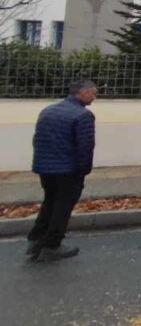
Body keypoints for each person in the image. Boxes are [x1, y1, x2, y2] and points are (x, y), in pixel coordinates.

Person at [26, 79, 98, 263]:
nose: (94, 97)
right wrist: (83, 170)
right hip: (68, 170)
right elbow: (85, 147)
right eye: (93, 93)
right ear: (82, 93)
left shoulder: (48, 110)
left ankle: (36, 240)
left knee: (49, 202)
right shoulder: (83, 116)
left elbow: (38, 139)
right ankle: (52, 245)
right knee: (62, 207)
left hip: (45, 168)